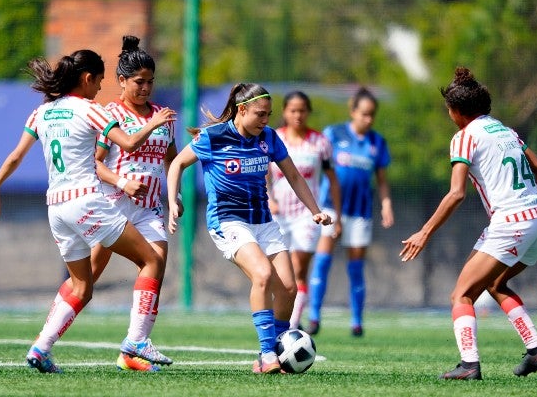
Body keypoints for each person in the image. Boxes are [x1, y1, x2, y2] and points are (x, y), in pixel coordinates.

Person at [0, 49, 176, 373]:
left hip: (56, 208)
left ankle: (40, 349)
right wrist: (154, 123)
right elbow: (128, 144)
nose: (100, 89)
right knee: (151, 260)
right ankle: (136, 342)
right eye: (99, 82)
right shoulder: (91, 110)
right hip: (89, 201)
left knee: (82, 286)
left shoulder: (41, 112)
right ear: (87, 79)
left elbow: (16, 156)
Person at [166, 83, 332, 374]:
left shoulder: (268, 137)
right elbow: (178, 163)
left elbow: (292, 174)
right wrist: (173, 201)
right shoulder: (213, 137)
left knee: (289, 288)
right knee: (263, 275)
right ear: (241, 110)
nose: (266, 121)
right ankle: (268, 353)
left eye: (269, 114)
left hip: (264, 222)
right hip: (228, 221)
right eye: (260, 114)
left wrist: (315, 211)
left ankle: (278, 353)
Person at [400, 67, 537, 380]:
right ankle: (536, 350)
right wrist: (530, 202)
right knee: (495, 284)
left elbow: (456, 194)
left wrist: (424, 232)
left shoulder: (464, 137)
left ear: (457, 112)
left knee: (461, 295)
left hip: (511, 223)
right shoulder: (505, 131)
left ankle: (469, 365)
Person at [50, 36, 180, 371]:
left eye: (150, 82)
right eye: (139, 82)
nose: (146, 88)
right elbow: (93, 162)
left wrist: (175, 195)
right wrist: (122, 181)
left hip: (149, 208)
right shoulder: (109, 114)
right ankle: (44, 341)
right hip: (111, 205)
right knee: (87, 277)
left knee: (157, 260)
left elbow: (171, 159)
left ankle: (132, 349)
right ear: (121, 81)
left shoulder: (162, 117)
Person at [307, 87, 394, 337]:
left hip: (360, 210)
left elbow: (382, 179)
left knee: (356, 267)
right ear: (353, 111)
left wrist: (386, 203)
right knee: (322, 260)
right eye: (364, 113)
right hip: (330, 207)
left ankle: (356, 321)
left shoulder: (377, 142)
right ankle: (314, 317)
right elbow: (318, 165)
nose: (368, 119)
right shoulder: (333, 134)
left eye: (372, 115)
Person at [267, 90, 342, 330]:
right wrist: (269, 198)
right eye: (293, 110)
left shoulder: (320, 142)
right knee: (278, 272)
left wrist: (337, 217)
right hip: (278, 215)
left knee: (299, 268)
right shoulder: (274, 138)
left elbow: (333, 180)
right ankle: (284, 317)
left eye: (302, 110)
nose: (297, 115)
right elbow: (263, 174)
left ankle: (291, 324)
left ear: (308, 112)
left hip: (308, 216)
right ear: (285, 112)